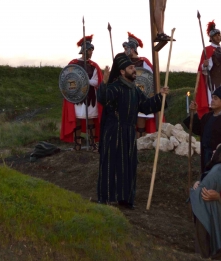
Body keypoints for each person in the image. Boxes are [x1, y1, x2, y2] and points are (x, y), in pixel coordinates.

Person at [97, 53, 168, 208]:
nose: (134, 70)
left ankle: (126, 198)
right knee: (111, 164)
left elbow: (146, 106)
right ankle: (107, 197)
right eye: (130, 68)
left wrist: (161, 96)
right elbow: (103, 98)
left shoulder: (135, 90)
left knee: (128, 165)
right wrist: (104, 82)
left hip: (129, 133)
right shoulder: (114, 88)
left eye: (134, 67)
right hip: (114, 132)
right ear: (122, 71)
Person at [190, 144, 221, 257]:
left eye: (217, 150)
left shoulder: (215, 172)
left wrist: (194, 189)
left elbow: (200, 194)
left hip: (207, 216)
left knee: (205, 246)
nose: (213, 151)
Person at [60, 35, 103, 151]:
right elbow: (68, 80)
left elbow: (97, 81)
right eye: (89, 50)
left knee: (90, 120)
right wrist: (79, 81)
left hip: (90, 97)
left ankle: (93, 143)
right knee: (77, 119)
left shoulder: (94, 66)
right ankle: (77, 144)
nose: (91, 52)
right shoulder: (73, 64)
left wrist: (84, 80)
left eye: (92, 50)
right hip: (77, 97)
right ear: (84, 50)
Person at [192, 20, 221, 120]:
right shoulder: (207, 50)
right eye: (216, 35)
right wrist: (204, 65)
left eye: (219, 35)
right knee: (214, 102)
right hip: (213, 81)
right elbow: (204, 69)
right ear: (211, 37)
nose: (218, 37)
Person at [122, 32, 161, 136]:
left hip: (141, 93)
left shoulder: (143, 62)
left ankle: (142, 140)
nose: (125, 51)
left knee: (141, 114)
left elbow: (151, 77)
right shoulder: (123, 63)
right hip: (127, 93)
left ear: (133, 49)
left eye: (126, 49)